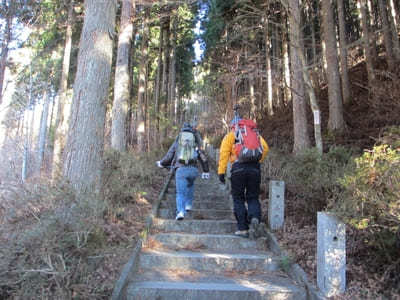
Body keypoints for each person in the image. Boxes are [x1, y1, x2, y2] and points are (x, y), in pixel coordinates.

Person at [217, 115, 269, 238]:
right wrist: (257, 162)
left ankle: (242, 228)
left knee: (238, 198)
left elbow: (224, 154)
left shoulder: (231, 135)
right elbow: (265, 148)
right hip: (254, 168)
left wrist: (221, 172)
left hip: (238, 168)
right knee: (253, 197)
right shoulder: (255, 134)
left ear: (232, 126)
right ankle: (255, 217)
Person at [157, 122, 210, 220]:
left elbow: (170, 153)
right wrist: (206, 171)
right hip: (193, 170)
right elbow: (202, 156)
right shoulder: (194, 141)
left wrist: (162, 163)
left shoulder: (179, 140)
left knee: (180, 192)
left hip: (181, 169)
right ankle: (188, 204)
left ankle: (181, 211)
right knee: (190, 184)